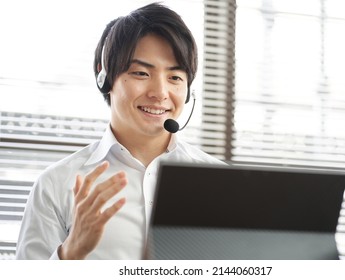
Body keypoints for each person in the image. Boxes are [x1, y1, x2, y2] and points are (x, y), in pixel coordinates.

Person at [16, 2, 222, 260]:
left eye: (175, 78)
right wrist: (70, 253)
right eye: (141, 73)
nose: (159, 93)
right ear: (105, 79)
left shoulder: (221, 184)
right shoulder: (56, 185)